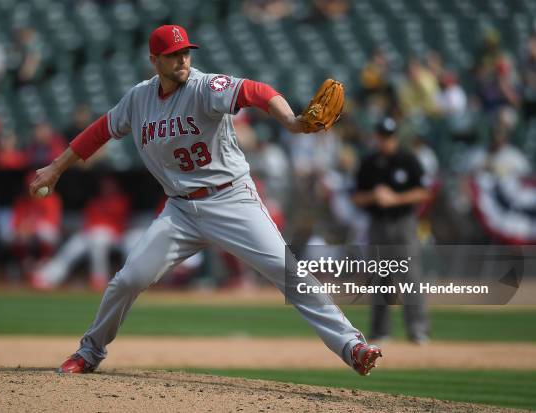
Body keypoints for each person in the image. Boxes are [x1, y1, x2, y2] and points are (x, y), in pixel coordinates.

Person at [30, 25, 381, 375]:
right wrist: (57, 168)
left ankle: (353, 346)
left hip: (231, 200)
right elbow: (100, 131)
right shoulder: (139, 98)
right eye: (173, 55)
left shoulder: (204, 86)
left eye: (186, 52)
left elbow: (254, 90)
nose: (183, 59)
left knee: (287, 271)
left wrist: (290, 120)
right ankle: (89, 353)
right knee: (128, 279)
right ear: (154, 60)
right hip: (180, 210)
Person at [352, 117, 431, 344]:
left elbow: (424, 192)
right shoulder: (369, 163)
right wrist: (374, 196)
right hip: (378, 224)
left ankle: (418, 329)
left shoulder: (408, 160)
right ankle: (380, 331)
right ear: (376, 137)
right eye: (382, 137)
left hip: (404, 222)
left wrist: (395, 198)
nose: (385, 141)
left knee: (410, 278)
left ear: (395, 137)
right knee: (379, 278)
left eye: (389, 137)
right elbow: (356, 196)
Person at [31, 175, 131, 292]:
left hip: (113, 236)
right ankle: (48, 277)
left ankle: (99, 278)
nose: (107, 188)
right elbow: (88, 223)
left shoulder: (121, 201)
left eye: (110, 185)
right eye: (104, 186)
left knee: (98, 238)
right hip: (91, 234)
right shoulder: (95, 202)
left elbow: (119, 225)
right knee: (74, 245)